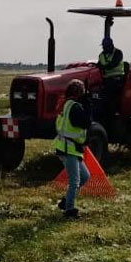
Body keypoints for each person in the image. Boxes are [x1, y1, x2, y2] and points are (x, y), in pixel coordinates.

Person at [53, 79, 91, 218]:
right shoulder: (75, 107)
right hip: (68, 148)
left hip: (70, 148)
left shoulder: (66, 105)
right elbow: (85, 123)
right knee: (74, 181)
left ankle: (65, 201)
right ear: (78, 93)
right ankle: (69, 210)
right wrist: (88, 106)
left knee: (85, 177)